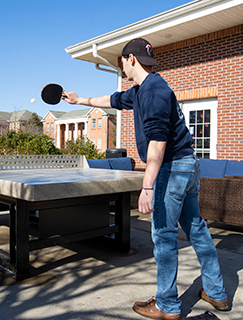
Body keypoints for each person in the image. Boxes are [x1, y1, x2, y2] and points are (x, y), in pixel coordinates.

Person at [63, 38, 228, 319]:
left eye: (122, 62)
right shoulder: (142, 90)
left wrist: (147, 186)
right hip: (187, 166)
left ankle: (167, 304)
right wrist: (80, 100)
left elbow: (158, 144)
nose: (122, 68)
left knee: (163, 236)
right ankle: (216, 292)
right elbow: (111, 100)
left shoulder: (153, 92)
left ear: (131, 59)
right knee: (196, 229)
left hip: (172, 168)